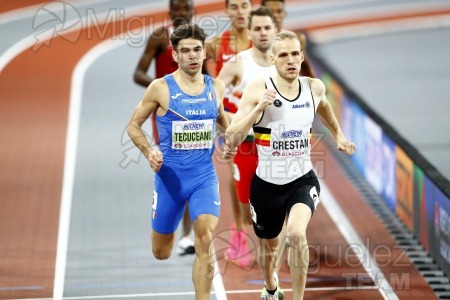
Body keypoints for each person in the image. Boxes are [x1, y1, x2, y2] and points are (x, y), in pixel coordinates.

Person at [224, 31, 356, 300]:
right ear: (273, 59)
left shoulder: (313, 87)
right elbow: (232, 135)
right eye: (283, 55)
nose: (290, 60)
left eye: (295, 54)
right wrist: (258, 107)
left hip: (302, 180)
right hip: (266, 185)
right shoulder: (258, 88)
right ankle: (271, 287)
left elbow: (325, 108)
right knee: (268, 249)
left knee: (296, 234)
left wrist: (340, 136)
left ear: (302, 56)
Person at [127, 24, 235, 300]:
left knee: (205, 238)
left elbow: (224, 124)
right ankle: (167, 232)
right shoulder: (160, 88)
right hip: (170, 180)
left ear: (204, 52)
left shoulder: (216, 87)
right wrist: (150, 151)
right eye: (185, 51)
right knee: (161, 252)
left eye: (197, 49)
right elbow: (133, 126)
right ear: (175, 55)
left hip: (203, 177)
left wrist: (230, 141)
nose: (192, 56)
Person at [216, 6, 278, 273]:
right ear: (251, 31)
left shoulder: (285, 55)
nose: (263, 32)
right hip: (245, 140)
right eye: (259, 28)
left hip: (277, 143)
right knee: (246, 202)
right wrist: (223, 124)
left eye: (268, 27)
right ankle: (240, 231)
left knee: (280, 200)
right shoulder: (233, 58)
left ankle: (274, 260)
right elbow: (215, 89)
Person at [133, 0, 196, 256]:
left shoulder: (198, 42)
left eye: (185, 7)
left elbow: (209, 76)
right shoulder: (160, 37)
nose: (181, 12)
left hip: (194, 115)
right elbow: (138, 73)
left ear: (192, 10)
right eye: (176, 8)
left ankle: (189, 236)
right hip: (166, 118)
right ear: (170, 11)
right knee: (172, 174)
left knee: (193, 172)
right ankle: (166, 226)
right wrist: (163, 91)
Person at [205, 0, 254, 267]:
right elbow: (213, 86)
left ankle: (266, 228)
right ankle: (239, 234)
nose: (239, 11)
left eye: (244, 5)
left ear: (251, 8)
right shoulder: (216, 44)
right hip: (232, 122)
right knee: (236, 174)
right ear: (226, 10)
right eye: (233, 6)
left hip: (260, 120)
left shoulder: (263, 41)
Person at [261, 0, 315, 78]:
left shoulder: (296, 39)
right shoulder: (254, 41)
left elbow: (305, 67)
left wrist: (315, 85)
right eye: (270, 12)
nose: (275, 15)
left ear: (284, 14)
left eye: (279, 11)